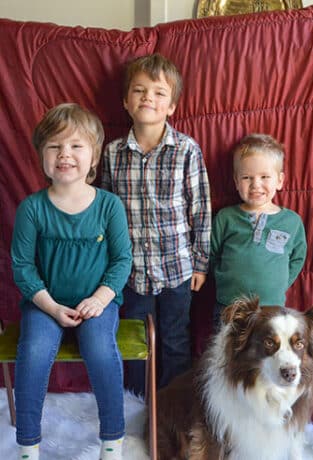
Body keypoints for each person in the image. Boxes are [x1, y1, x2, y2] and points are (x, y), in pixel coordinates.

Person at [11, 103, 132, 460]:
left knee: (100, 350)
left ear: (94, 155)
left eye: (76, 146)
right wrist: (48, 305)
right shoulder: (32, 208)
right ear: (42, 156)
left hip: (97, 303)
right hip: (45, 305)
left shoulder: (109, 206)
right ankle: (28, 445)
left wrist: (99, 300)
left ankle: (112, 441)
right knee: (32, 352)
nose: (65, 154)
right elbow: (22, 266)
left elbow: (122, 260)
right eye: (54, 146)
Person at [102, 53, 211, 395]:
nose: (148, 97)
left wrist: (201, 263)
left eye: (158, 92)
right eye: (139, 90)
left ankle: (172, 404)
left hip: (177, 269)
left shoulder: (187, 150)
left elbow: (201, 210)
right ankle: (138, 405)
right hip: (131, 272)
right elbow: (105, 210)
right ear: (125, 101)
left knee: (175, 339)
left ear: (172, 106)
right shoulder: (112, 152)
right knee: (135, 341)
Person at [210, 133, 307, 327]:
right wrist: (225, 278)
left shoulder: (291, 221)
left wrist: (279, 284)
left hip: (271, 309)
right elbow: (212, 254)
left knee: (266, 356)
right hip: (229, 306)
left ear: (279, 180)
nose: (256, 184)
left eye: (264, 177)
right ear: (236, 181)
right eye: (247, 177)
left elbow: (297, 258)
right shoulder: (225, 217)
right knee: (225, 354)